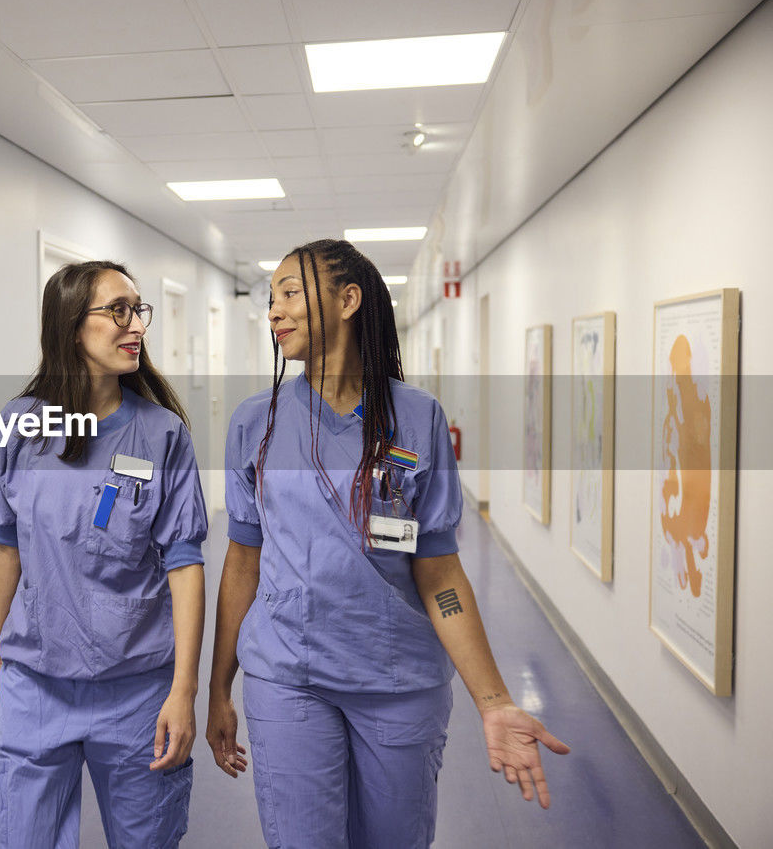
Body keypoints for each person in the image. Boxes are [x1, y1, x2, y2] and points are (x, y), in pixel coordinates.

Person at [205, 239, 570, 848]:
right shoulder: (255, 421)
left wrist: (494, 700)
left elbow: (441, 574)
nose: (274, 310)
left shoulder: (417, 417)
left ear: (348, 300)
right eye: (270, 300)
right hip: (288, 676)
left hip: (397, 679)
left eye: (290, 293)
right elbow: (243, 559)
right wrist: (219, 685)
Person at [0, 261, 208, 849]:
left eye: (139, 310)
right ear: (69, 327)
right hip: (34, 681)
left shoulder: (162, 435)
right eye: (117, 311)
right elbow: (4, 545)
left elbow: (185, 564)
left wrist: (185, 690)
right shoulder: (19, 427)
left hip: (136, 689)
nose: (135, 326)